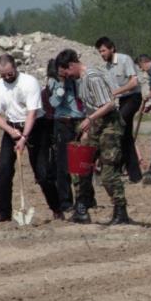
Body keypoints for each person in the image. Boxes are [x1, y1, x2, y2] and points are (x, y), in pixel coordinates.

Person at [55, 48, 130, 225]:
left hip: (109, 126)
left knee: (108, 173)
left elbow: (109, 104)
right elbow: (90, 106)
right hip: (96, 125)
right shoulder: (81, 80)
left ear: (71, 65)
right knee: (79, 165)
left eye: (66, 72)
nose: (66, 76)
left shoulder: (92, 77)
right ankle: (81, 208)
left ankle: (121, 211)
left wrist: (90, 120)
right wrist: (87, 131)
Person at [0, 54, 61, 222]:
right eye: (3, 75)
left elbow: (32, 113)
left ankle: (57, 207)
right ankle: (3, 212)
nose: (7, 77)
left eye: (10, 74)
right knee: (4, 171)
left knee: (42, 173)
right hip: (12, 127)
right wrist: (11, 131)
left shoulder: (29, 82)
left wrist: (23, 138)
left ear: (15, 67)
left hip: (36, 127)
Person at [46, 57, 90, 214]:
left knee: (83, 161)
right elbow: (54, 103)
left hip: (80, 120)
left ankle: (86, 198)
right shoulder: (53, 83)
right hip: (63, 122)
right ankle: (65, 201)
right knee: (63, 163)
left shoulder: (77, 80)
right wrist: (61, 85)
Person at [96, 36, 143, 183]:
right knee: (126, 136)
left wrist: (115, 92)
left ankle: (112, 168)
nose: (102, 54)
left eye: (103, 50)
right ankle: (135, 176)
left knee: (116, 126)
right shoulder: (107, 67)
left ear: (112, 48)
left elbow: (134, 82)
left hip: (133, 98)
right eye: (100, 52)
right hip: (122, 100)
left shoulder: (124, 59)